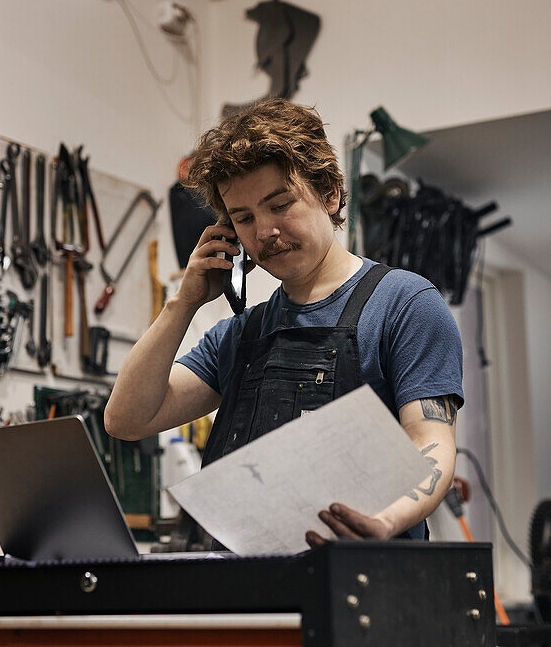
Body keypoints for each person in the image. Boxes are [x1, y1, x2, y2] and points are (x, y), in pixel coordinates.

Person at [104, 99, 463, 546]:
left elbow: (431, 445)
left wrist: (383, 524)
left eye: (280, 205)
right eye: (244, 218)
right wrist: (183, 302)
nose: (264, 232)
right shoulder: (240, 335)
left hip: (359, 582)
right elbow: (126, 419)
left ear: (329, 193)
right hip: (243, 599)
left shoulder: (405, 305)